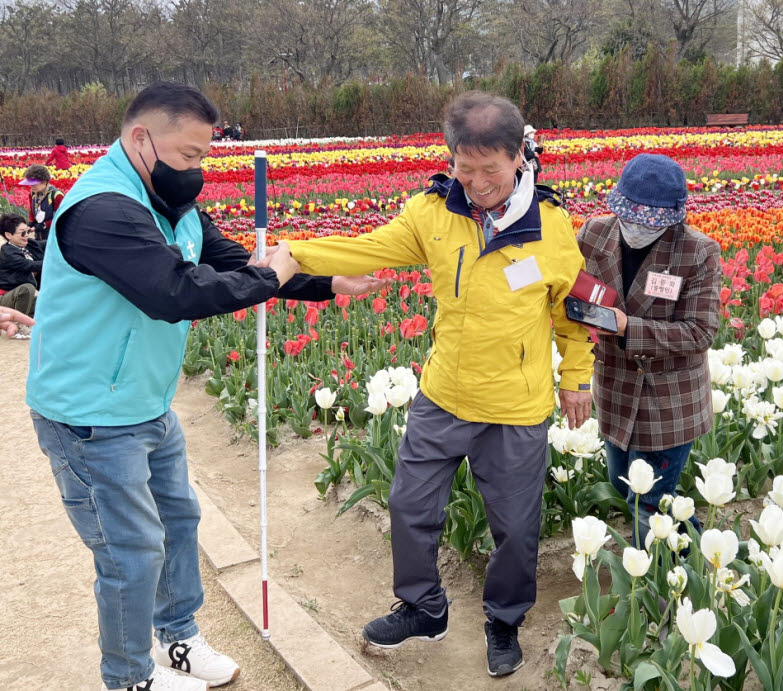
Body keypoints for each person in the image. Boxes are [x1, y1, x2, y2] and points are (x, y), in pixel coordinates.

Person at [25, 81, 387, 691]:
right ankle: (129, 676)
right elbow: (175, 293)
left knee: (180, 522)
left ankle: (179, 638)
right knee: (130, 553)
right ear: (142, 138)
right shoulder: (102, 210)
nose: (197, 170)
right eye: (189, 155)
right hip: (90, 414)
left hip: (146, 401)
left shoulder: (172, 202)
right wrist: (269, 279)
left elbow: (233, 263)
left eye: (204, 156)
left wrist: (324, 283)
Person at [284, 91, 595, 678]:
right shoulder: (431, 214)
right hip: (444, 395)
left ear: (520, 157)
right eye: (465, 167)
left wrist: (575, 380)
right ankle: (424, 606)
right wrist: (292, 253)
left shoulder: (550, 226)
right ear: (450, 158)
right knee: (408, 505)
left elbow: (570, 313)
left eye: (491, 169)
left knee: (515, 527)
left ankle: (503, 621)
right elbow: (370, 247)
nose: (477, 182)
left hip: (516, 405)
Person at [576, 154, 721, 548]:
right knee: (625, 489)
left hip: (668, 402)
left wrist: (628, 327)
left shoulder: (697, 252)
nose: (638, 228)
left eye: (650, 221)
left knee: (650, 505)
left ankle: (667, 584)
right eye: (631, 216)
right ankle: (694, 553)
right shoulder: (594, 235)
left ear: (672, 216)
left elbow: (700, 332)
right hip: (615, 390)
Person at [0, 214, 42, 335]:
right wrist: (52, 262)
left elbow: (46, 244)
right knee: (27, 288)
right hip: (5, 297)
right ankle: (19, 326)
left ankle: (29, 320)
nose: (27, 235)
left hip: (20, 298)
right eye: (22, 233)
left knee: (44, 302)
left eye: (28, 231)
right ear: (9, 235)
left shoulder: (29, 245)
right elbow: (29, 265)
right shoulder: (7, 252)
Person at [18, 163, 64, 243]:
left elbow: (61, 218)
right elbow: (32, 211)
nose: (31, 186)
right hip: (39, 235)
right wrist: (30, 224)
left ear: (44, 181)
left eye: (34, 183)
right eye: (30, 183)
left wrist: (44, 225)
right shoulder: (32, 194)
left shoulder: (56, 195)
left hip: (53, 235)